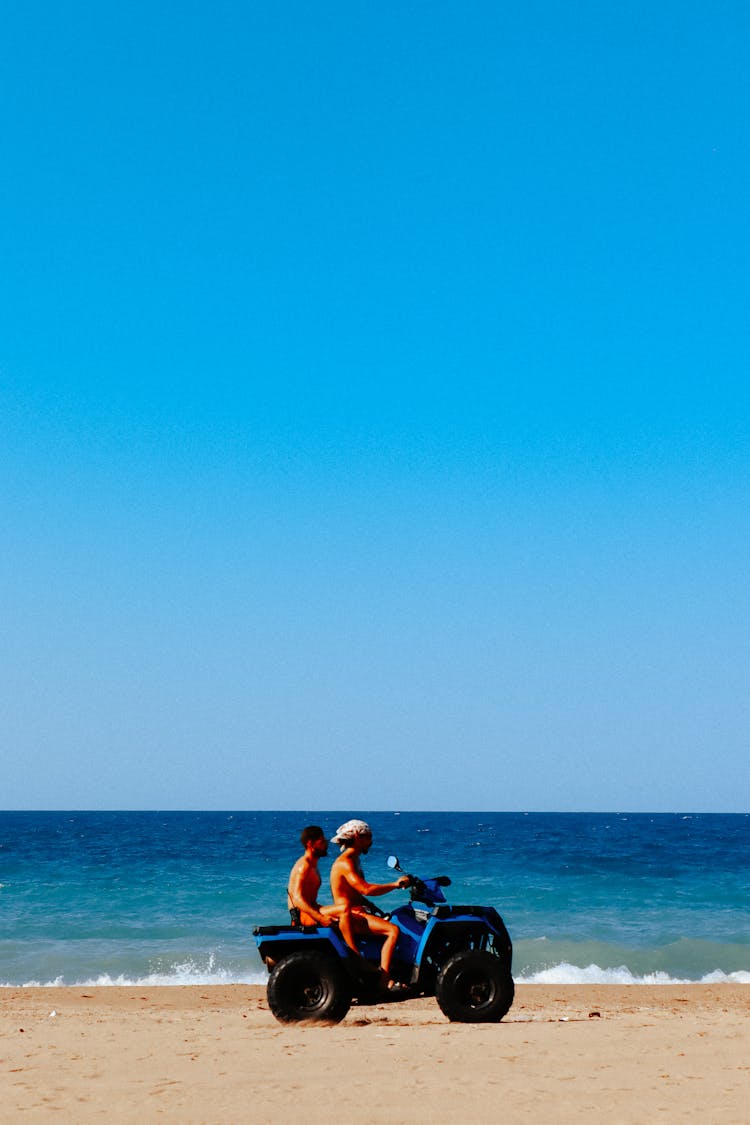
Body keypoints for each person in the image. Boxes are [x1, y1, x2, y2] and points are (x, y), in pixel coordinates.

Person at [329, 818, 410, 990]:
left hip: (358, 910)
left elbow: (356, 894)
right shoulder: (345, 862)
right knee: (392, 930)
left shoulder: (354, 860)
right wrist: (395, 885)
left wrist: (375, 909)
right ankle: (384, 981)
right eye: (368, 837)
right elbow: (365, 889)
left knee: (392, 921)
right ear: (358, 837)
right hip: (351, 915)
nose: (371, 842)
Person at [287, 825, 341, 928]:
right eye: (321, 842)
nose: (326, 845)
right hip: (302, 916)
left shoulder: (313, 864)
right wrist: (321, 918)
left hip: (313, 909)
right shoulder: (304, 865)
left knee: (351, 911)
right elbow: (297, 899)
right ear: (310, 844)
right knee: (344, 916)